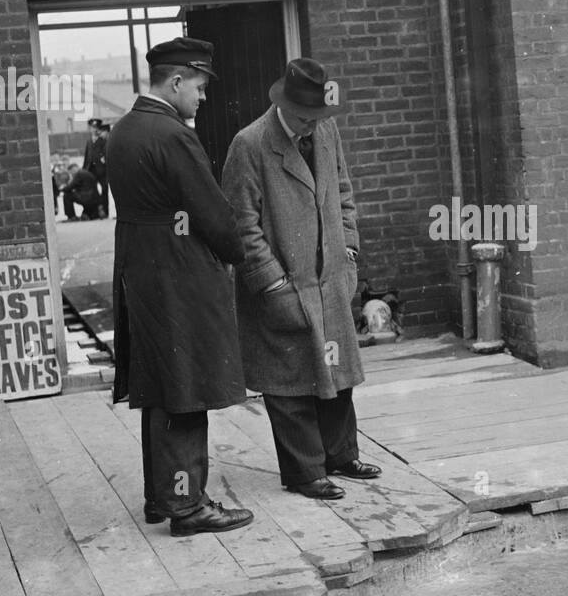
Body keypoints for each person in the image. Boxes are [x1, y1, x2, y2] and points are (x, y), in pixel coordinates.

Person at [107, 36, 253, 536]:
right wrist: (237, 252)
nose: (203, 96)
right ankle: (188, 507)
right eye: (199, 85)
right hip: (178, 271)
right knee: (186, 386)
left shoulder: (123, 130)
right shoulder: (173, 135)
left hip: (140, 268)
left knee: (160, 385)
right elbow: (212, 214)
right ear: (175, 81)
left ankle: (162, 497)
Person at [222, 57, 381, 500]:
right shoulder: (250, 144)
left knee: (337, 372)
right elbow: (242, 225)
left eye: (318, 118)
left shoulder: (326, 131)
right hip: (283, 285)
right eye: (305, 119)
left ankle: (341, 455)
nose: (312, 127)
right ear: (285, 106)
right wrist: (272, 285)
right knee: (289, 381)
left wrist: (348, 252)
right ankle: (304, 472)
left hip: (330, 279)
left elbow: (344, 193)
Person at [83, 118, 110, 217]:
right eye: (92, 127)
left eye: (96, 127)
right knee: (92, 190)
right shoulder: (89, 140)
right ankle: (95, 212)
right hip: (91, 169)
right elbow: (87, 156)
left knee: (104, 189)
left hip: (102, 169)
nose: (94, 130)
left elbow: (106, 153)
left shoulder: (103, 139)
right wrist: (84, 169)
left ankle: (105, 212)